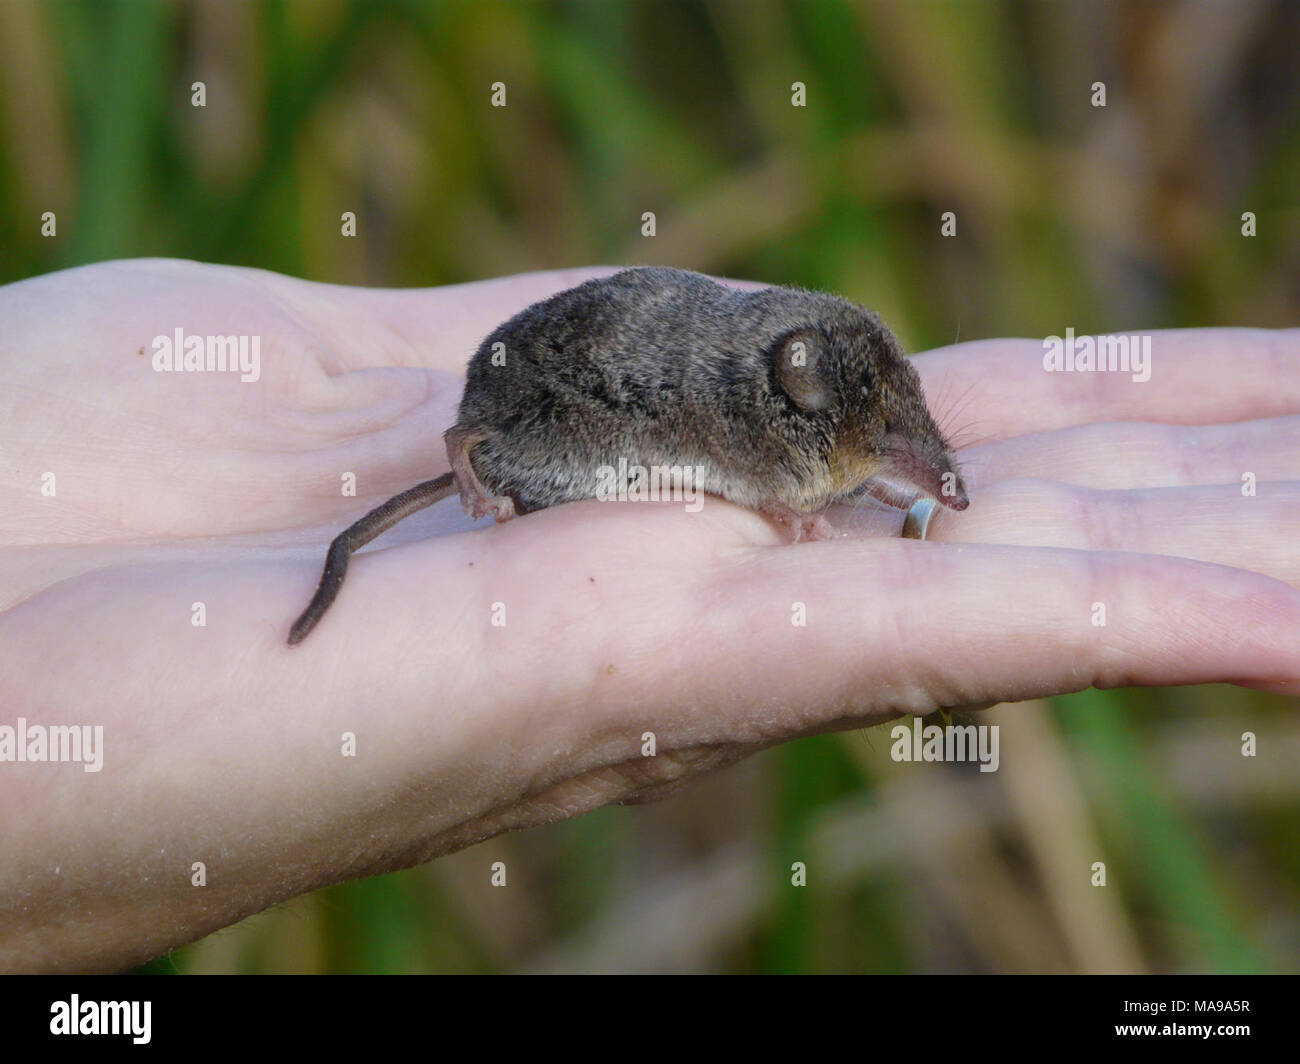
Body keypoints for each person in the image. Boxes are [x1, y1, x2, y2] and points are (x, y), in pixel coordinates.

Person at [1, 258, 1295, 972]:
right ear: (791, 414)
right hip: (544, 406)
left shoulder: (795, 367)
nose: (914, 458)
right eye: (881, 438)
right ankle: (481, 463)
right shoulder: (746, 411)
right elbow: (769, 453)